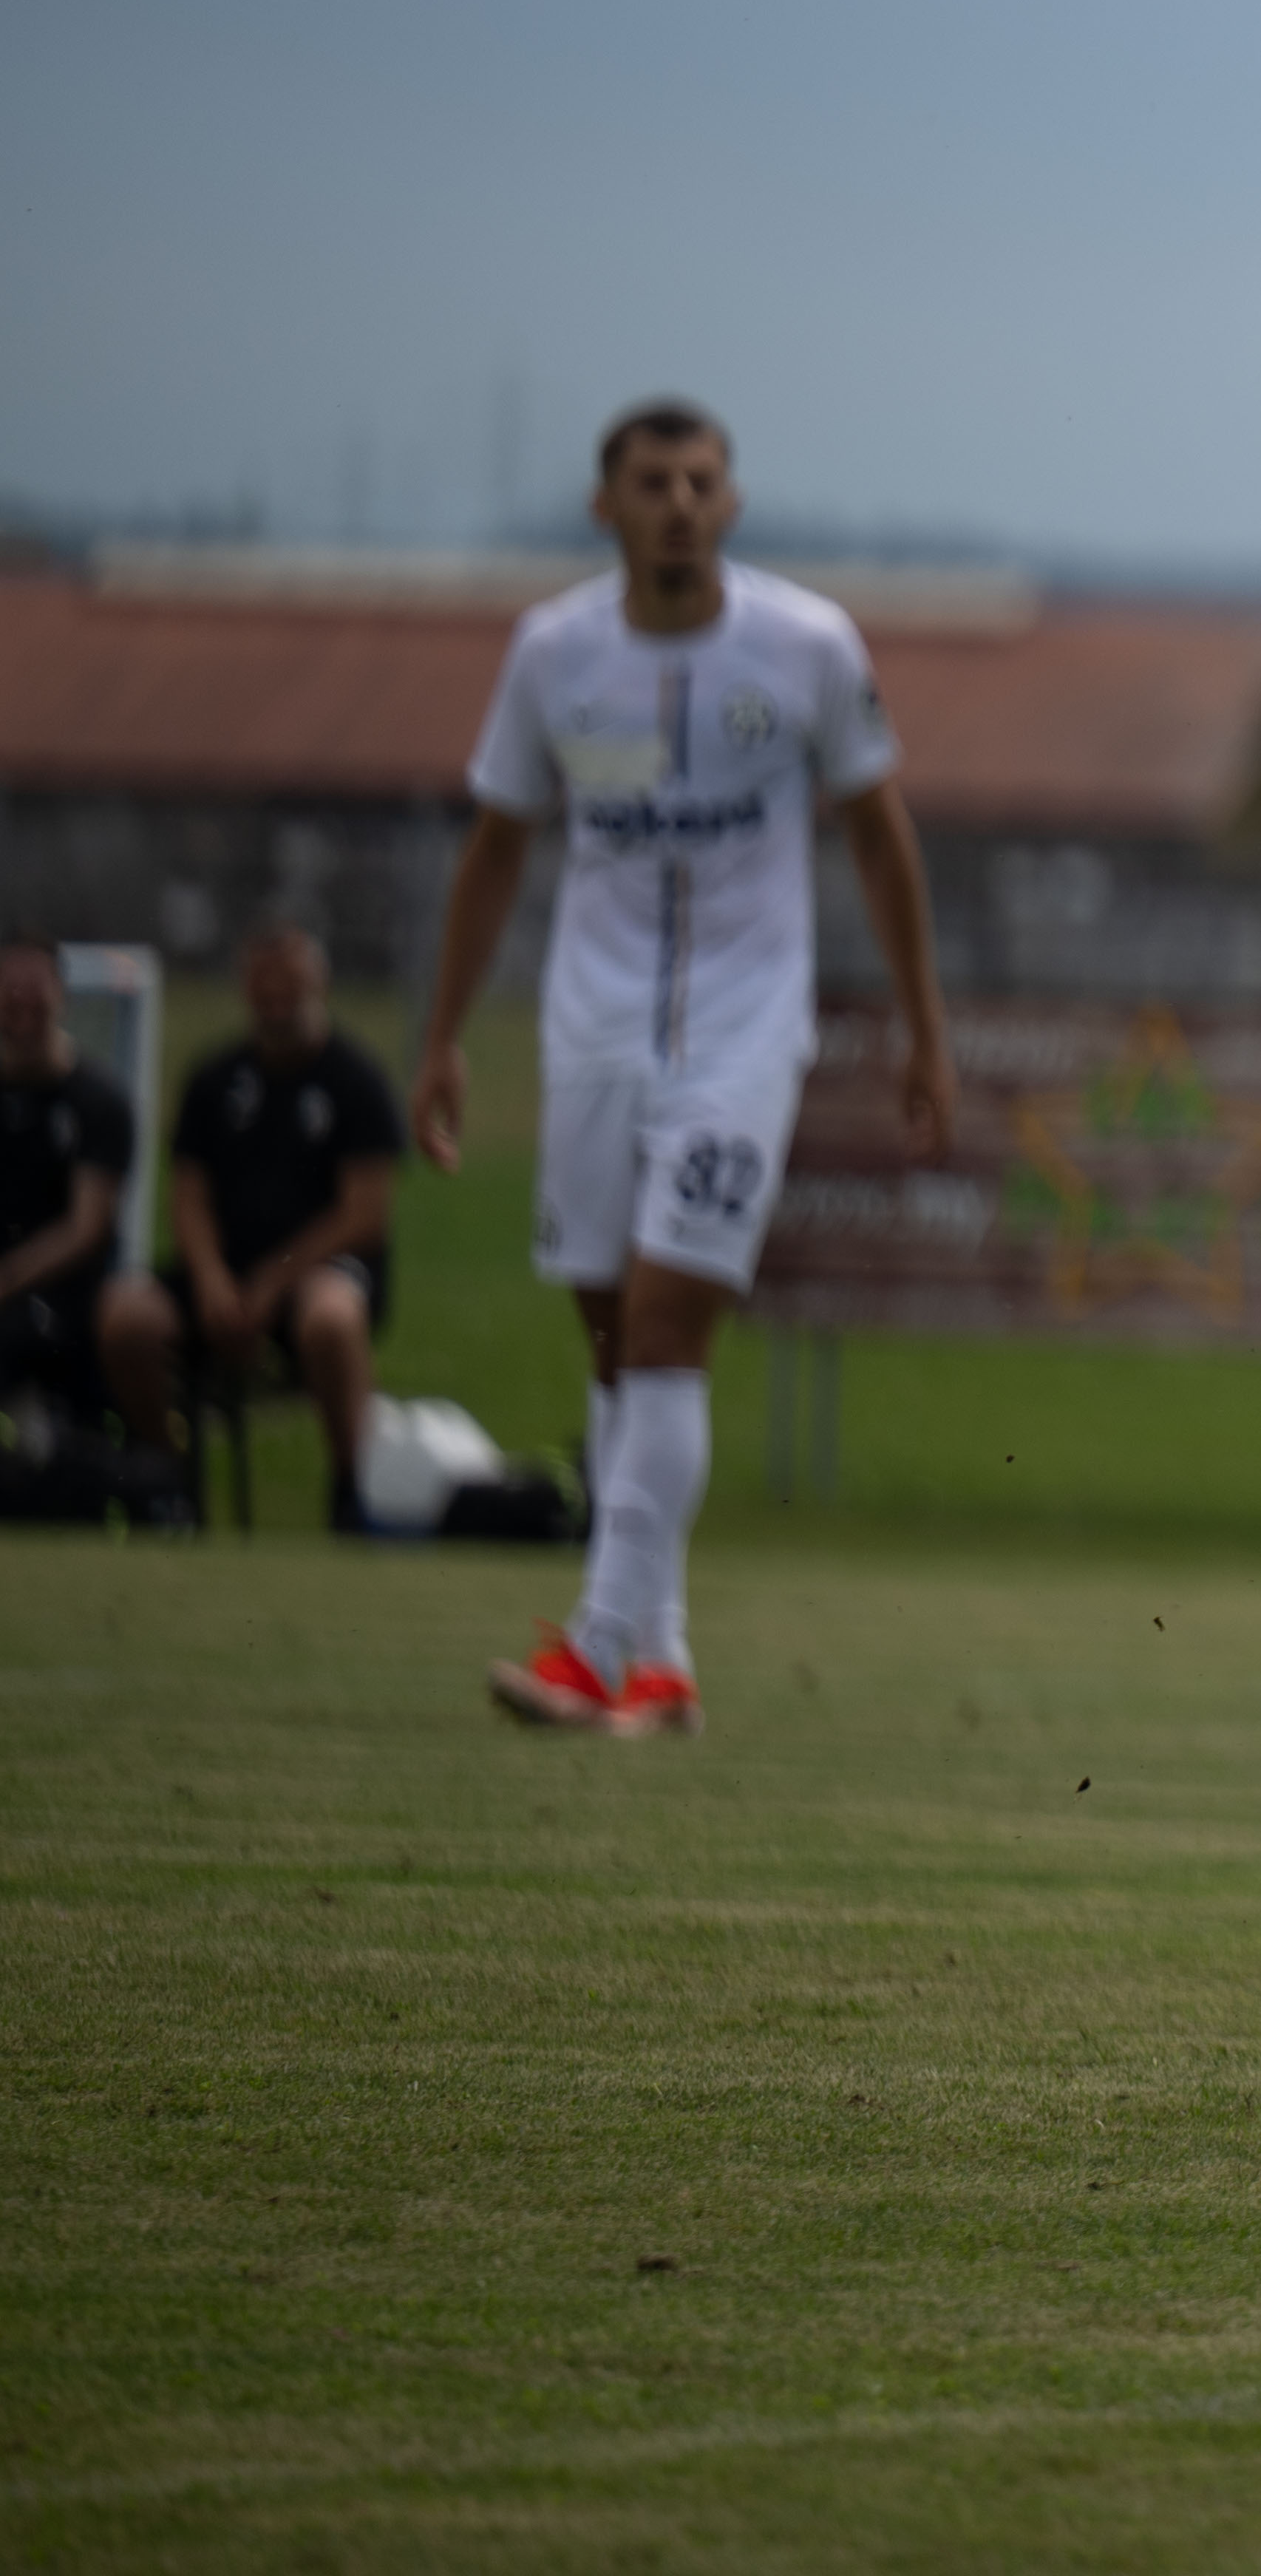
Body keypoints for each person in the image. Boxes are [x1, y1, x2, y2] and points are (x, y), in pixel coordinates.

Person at [418, 401, 956, 1737]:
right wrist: (439, 1037)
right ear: (604, 504)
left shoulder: (809, 644)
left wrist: (921, 1025)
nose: (677, 501)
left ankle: (596, 1649)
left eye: (699, 480)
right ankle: (662, 1663)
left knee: (667, 1333)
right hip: (593, 1032)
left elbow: (881, 838)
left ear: (732, 501)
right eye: (650, 480)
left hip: (740, 1033)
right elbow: (496, 849)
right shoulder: (554, 652)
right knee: (615, 1351)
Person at [103, 918, 402, 1525]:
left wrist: (273, 1281)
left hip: (315, 1275)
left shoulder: (356, 1080)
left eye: (289, 983)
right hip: (225, 1276)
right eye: (263, 984)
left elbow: (364, 1215)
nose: (275, 998)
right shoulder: (214, 1080)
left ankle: (351, 1490)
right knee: (126, 1316)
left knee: (332, 1317)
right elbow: (188, 1199)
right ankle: (164, 1484)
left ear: (319, 982)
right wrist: (212, 1280)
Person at [0, 937, 149, 1468]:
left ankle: (52, 1453)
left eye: (34, 988)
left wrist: (9, 1278)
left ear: (61, 995)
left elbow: (86, 1227)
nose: (21, 1001)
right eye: (9, 988)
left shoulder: (96, 1101)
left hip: (62, 1297)